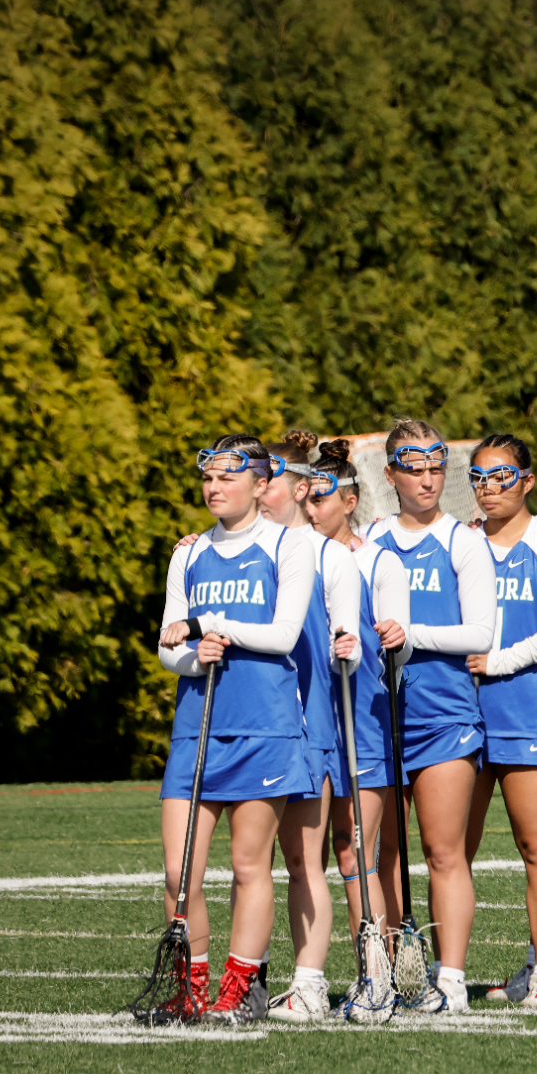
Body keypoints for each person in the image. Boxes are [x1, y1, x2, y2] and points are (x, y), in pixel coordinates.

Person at [155, 437, 316, 1024]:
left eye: (228, 476)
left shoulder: (287, 545)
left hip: (264, 724)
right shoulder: (189, 553)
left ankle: (237, 989)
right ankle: (192, 987)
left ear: (259, 482)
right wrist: (195, 653)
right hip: (198, 724)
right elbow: (169, 645)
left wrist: (211, 624)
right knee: (180, 871)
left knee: (251, 865)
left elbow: (283, 634)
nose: (214, 487)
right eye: (208, 477)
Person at [365, 418, 496, 1013]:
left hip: (444, 713)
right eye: (413, 468)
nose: (426, 479)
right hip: (380, 716)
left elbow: (480, 631)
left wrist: (410, 633)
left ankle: (450, 979)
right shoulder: (370, 539)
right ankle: (389, 972)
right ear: (390, 474)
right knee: (382, 855)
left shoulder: (461, 541)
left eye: (435, 467)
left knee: (445, 853)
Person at [462, 434, 537, 1012]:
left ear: (529, 481)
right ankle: (445, 972)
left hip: (529, 703)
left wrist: (505, 660)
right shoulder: (461, 540)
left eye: (502, 477)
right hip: (461, 707)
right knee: (450, 849)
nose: (489, 489)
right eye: (480, 478)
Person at [256, 431, 364, 1024]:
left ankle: (311, 981)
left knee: (304, 860)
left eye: (267, 477)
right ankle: (249, 976)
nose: (258, 488)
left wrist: (346, 643)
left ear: (300, 488)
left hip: (309, 724)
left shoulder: (330, 556)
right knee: (254, 863)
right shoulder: (237, 548)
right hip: (256, 724)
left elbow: (347, 638)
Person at [302, 440, 411, 974]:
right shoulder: (292, 554)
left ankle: (377, 973)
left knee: (354, 852)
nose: (311, 509)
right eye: (307, 498)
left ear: (348, 501)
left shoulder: (378, 560)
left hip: (361, 719)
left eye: (322, 498)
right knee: (306, 857)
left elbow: (400, 640)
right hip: (305, 722)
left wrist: (394, 635)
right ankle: (307, 977)